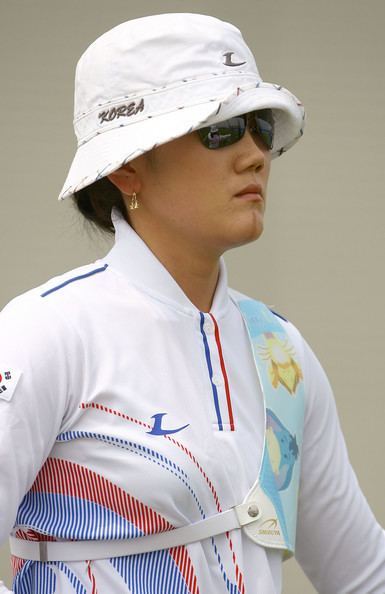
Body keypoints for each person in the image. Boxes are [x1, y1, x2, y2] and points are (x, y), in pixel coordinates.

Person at [0, 12, 384, 594]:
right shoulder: (47, 332)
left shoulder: (281, 352)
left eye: (259, 126)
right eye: (220, 130)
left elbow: (363, 576)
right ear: (127, 165)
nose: (256, 154)